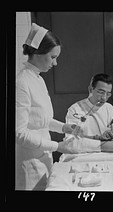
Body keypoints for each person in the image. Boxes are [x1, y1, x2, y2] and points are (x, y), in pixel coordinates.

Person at [16, 23, 77, 190]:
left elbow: (41, 120)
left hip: (44, 157)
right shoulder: (21, 82)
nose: (55, 63)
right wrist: (58, 146)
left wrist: (64, 127)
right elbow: (19, 133)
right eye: (52, 57)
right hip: (29, 162)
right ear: (37, 52)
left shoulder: (38, 79)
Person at [64, 73, 113, 152]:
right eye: (101, 92)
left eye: (108, 94)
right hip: (83, 152)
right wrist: (97, 138)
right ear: (91, 89)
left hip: (106, 152)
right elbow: (71, 139)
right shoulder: (75, 110)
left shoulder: (109, 109)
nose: (104, 98)